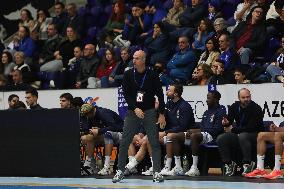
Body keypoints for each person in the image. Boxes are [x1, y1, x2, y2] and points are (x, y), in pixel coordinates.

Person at [112, 50, 166, 183]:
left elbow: (160, 94)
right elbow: (126, 94)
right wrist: (135, 108)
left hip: (149, 111)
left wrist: (162, 114)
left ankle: (157, 172)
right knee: (125, 141)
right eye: (133, 58)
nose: (133, 61)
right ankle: (120, 170)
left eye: (136, 58)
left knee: (153, 142)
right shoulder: (129, 74)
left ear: (143, 60)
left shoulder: (152, 74)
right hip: (133, 111)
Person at [124, 84, 195, 176]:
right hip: (169, 133)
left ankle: (130, 166)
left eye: (169, 90)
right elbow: (156, 121)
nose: (166, 92)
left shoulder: (184, 106)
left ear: (176, 94)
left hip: (182, 135)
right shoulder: (168, 104)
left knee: (149, 139)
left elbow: (183, 127)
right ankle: (148, 167)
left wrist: (164, 132)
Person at [217, 88, 264, 176]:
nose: (246, 99)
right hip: (240, 133)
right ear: (239, 98)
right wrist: (226, 122)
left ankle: (248, 164)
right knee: (221, 138)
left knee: (243, 136)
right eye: (243, 97)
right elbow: (229, 120)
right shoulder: (235, 106)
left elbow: (251, 128)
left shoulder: (256, 108)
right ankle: (229, 164)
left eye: (248, 97)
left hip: (256, 135)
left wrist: (233, 129)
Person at [80, 103, 124, 174]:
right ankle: (89, 165)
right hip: (105, 133)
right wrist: (88, 131)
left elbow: (115, 127)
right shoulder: (90, 116)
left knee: (107, 134)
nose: (86, 117)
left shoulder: (103, 113)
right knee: (87, 138)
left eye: (86, 115)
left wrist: (99, 130)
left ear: (91, 112)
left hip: (120, 133)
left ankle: (106, 167)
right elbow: (88, 128)